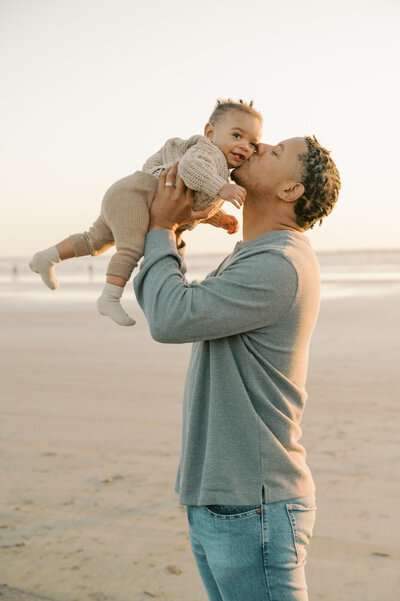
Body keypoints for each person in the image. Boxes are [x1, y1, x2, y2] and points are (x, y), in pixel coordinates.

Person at [133, 137, 341, 601]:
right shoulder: (254, 253)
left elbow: (170, 317)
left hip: (255, 504)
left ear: (290, 190)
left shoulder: (279, 264)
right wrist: (173, 231)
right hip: (225, 496)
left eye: (274, 151)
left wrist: (163, 228)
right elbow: (169, 306)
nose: (258, 144)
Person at [29, 99, 262, 326]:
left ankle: (48, 257)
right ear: (210, 132)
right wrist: (222, 188)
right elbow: (191, 169)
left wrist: (220, 218)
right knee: (132, 247)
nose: (245, 146)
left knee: (95, 240)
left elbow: (193, 199)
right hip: (137, 194)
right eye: (237, 136)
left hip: (128, 193)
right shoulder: (206, 151)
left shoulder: (218, 172)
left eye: (253, 143)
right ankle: (110, 297)